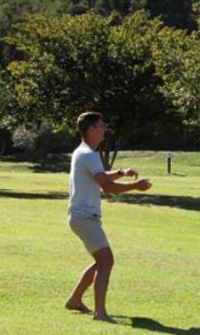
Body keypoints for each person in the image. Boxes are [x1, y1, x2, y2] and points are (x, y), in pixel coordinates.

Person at [65, 111, 152, 322]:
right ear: (92, 129)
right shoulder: (88, 154)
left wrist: (121, 172)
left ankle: (75, 300)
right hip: (84, 217)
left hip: (81, 216)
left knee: (101, 261)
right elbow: (107, 186)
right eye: (102, 125)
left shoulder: (84, 152)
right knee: (106, 260)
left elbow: (101, 177)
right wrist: (135, 186)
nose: (105, 129)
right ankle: (100, 313)